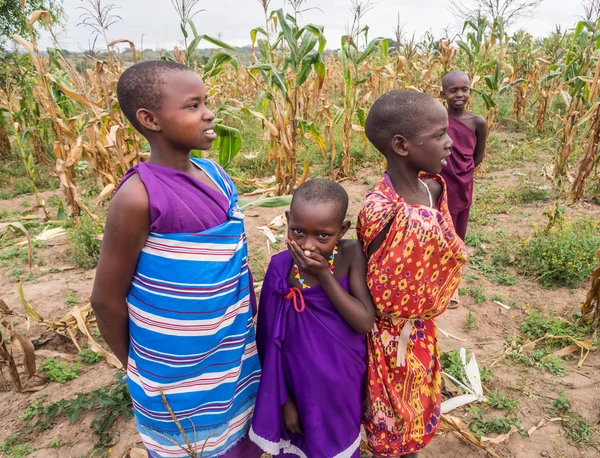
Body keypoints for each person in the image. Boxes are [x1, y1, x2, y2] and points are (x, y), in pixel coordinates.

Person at [90, 61, 262, 458]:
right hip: (171, 370)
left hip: (230, 349)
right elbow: (105, 299)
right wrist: (140, 368)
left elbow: (233, 264)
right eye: (192, 105)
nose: (209, 113)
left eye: (207, 102)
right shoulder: (137, 197)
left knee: (235, 435)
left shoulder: (216, 176)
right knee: (188, 445)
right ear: (150, 119)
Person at [356, 90, 468, 457]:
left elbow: (443, 251)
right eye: (438, 135)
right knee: (389, 421)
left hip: (422, 331)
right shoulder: (379, 211)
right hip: (385, 340)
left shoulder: (432, 188)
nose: (449, 143)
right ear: (401, 145)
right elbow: (377, 287)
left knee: (418, 408)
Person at [250, 179, 375, 458]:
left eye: (323, 236)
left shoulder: (351, 254)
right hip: (296, 385)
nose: (308, 246)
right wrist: (285, 400)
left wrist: (323, 276)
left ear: (342, 230)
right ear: (287, 221)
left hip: (341, 386)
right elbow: (268, 338)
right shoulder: (280, 267)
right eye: (297, 231)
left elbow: (364, 321)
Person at [440, 70, 488, 241]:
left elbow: (478, 156)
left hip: (463, 181)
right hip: (441, 181)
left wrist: (462, 172)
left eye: (464, 89)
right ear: (443, 94)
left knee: (458, 227)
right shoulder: (438, 119)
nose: (459, 94)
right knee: (442, 225)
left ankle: (455, 260)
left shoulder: (478, 122)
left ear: (470, 91)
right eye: (453, 90)